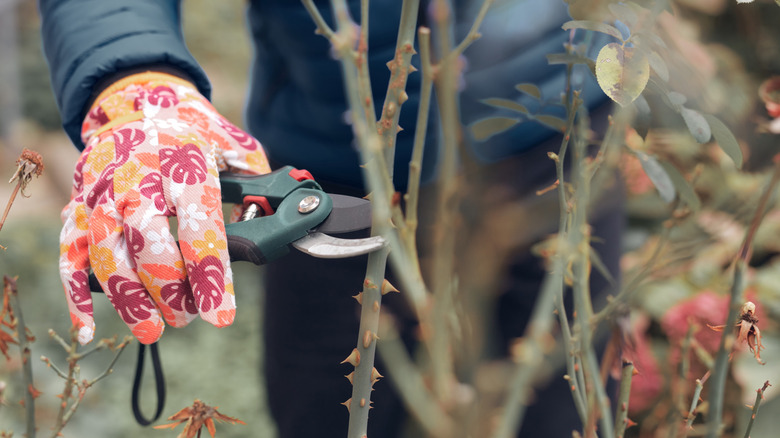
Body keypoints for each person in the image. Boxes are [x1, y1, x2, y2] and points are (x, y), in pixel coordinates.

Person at [39, 0, 620, 437]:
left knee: (564, 414)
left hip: (556, 140)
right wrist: (137, 81)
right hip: (328, 158)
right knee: (327, 415)